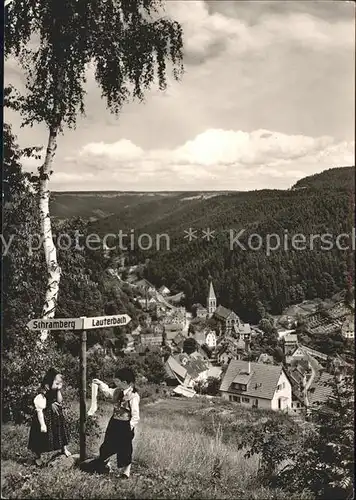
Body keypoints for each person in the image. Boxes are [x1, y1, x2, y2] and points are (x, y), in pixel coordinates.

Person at [91, 367, 140, 479]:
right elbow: (108, 391)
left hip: (125, 425)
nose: (115, 383)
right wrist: (100, 383)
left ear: (124, 382)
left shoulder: (133, 396)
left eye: (117, 381)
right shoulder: (118, 391)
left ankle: (126, 472)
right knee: (107, 445)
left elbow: (136, 415)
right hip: (114, 423)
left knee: (125, 449)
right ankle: (106, 465)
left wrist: (130, 427)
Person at [28, 368, 71, 466]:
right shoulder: (43, 392)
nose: (58, 385)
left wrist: (58, 390)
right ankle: (37, 456)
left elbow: (59, 401)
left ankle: (63, 449)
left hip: (54, 415)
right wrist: (43, 424)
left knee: (60, 430)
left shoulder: (55, 389)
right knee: (40, 435)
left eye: (60, 383)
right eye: (56, 383)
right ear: (49, 382)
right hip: (43, 415)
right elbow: (39, 409)